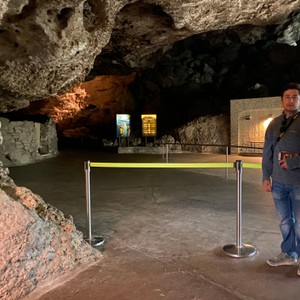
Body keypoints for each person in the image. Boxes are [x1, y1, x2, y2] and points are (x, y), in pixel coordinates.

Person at [262, 82, 300, 275]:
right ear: (281, 100)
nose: (291, 100)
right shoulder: (274, 123)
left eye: (295, 97)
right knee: (285, 221)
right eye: (287, 96)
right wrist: (265, 176)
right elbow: (267, 152)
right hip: (278, 183)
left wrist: (293, 163)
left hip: (298, 183)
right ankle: (289, 253)